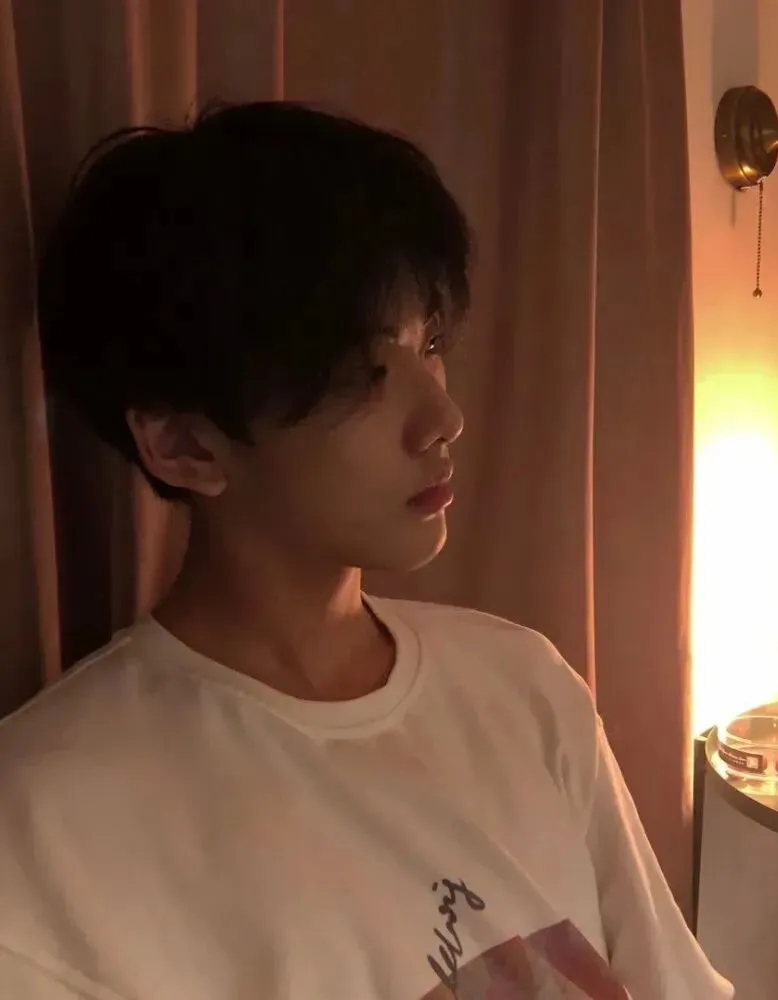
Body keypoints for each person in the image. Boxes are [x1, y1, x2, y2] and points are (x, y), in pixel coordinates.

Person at [0, 102, 732, 1000]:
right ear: (185, 444)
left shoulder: (522, 686)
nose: (443, 416)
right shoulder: (46, 828)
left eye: (431, 345)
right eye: (360, 372)